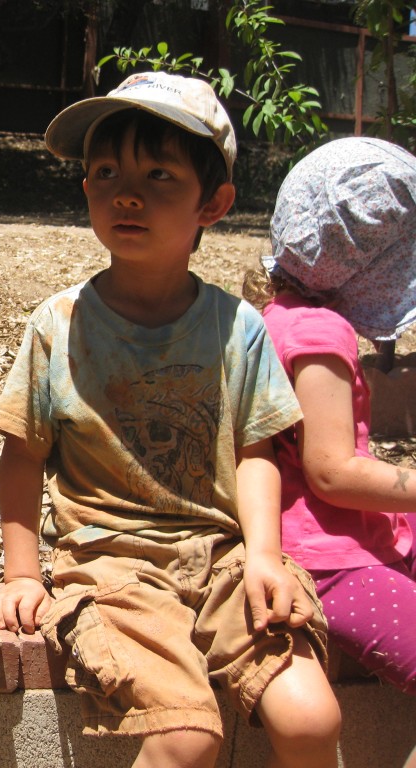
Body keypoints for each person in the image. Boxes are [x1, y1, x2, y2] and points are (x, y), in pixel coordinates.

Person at [0, 72, 341, 768]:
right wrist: (23, 574)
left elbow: (257, 449)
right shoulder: (60, 326)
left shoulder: (239, 329)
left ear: (214, 203)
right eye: (105, 171)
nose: (127, 192)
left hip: (227, 560)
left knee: (312, 717)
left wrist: (264, 554)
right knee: (187, 738)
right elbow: (23, 455)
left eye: (159, 175)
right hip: (113, 566)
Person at [244, 136, 416, 696]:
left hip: (316, 545)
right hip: (330, 565)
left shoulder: (277, 317)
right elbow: (332, 472)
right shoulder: (321, 334)